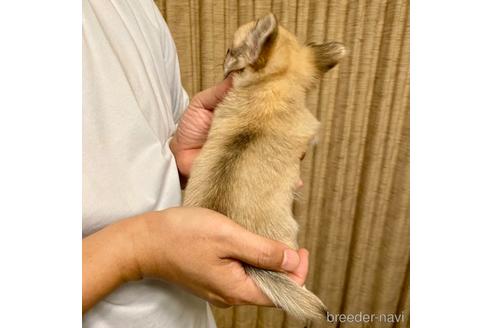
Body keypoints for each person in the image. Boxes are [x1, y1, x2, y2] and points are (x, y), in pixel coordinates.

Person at [82, 0, 310, 327]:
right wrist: (136, 250)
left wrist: (178, 157)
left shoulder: (135, 6)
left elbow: (124, 164)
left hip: (185, 314)